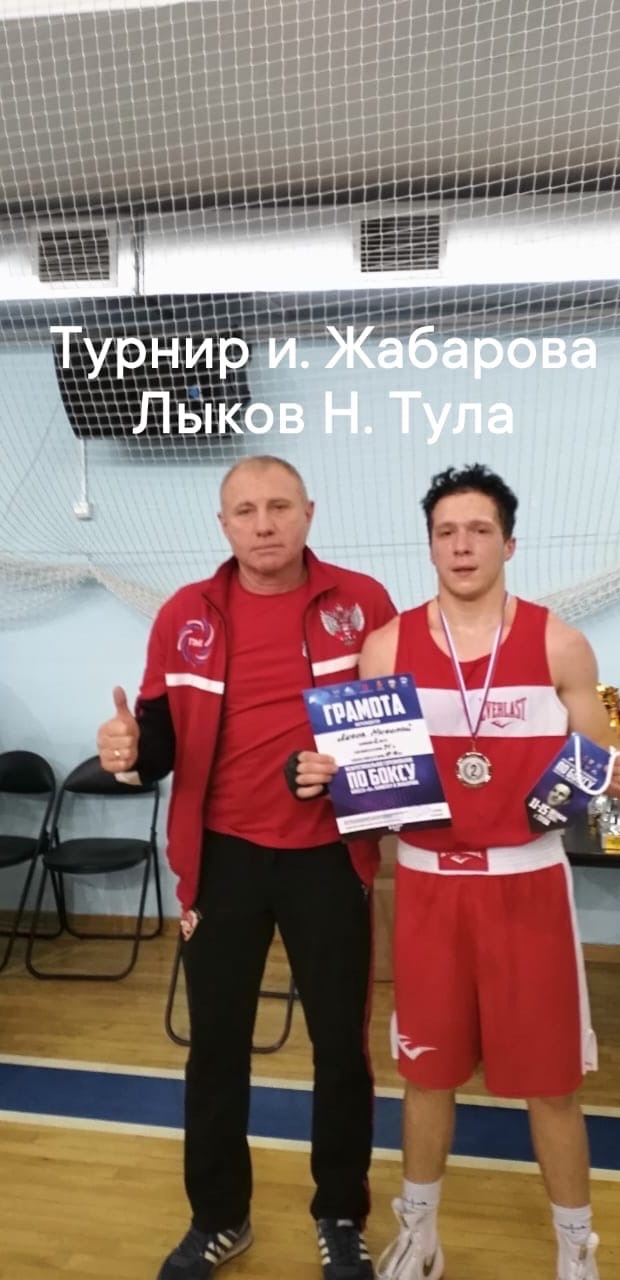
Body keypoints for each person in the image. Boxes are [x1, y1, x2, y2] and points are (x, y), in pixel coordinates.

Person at [96, 455, 396, 1280]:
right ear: (223, 524)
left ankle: (341, 1214)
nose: (264, 524)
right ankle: (219, 1218)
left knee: (342, 1050)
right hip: (221, 859)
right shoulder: (184, 614)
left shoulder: (363, 604)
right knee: (216, 1047)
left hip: (329, 858)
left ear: (309, 512)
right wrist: (128, 751)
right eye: (246, 510)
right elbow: (157, 743)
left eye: (279, 507)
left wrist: (341, 768)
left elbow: (393, 741)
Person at [352, 464, 620, 1280]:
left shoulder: (559, 642)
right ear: (429, 546)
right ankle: (419, 1236)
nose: (462, 546)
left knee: (551, 1084)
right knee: (426, 1073)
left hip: (527, 885)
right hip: (427, 885)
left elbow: (596, 764)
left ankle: (576, 1248)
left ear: (509, 544)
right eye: (446, 532)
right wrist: (328, 773)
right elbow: (371, 776)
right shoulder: (387, 647)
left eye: (479, 530)